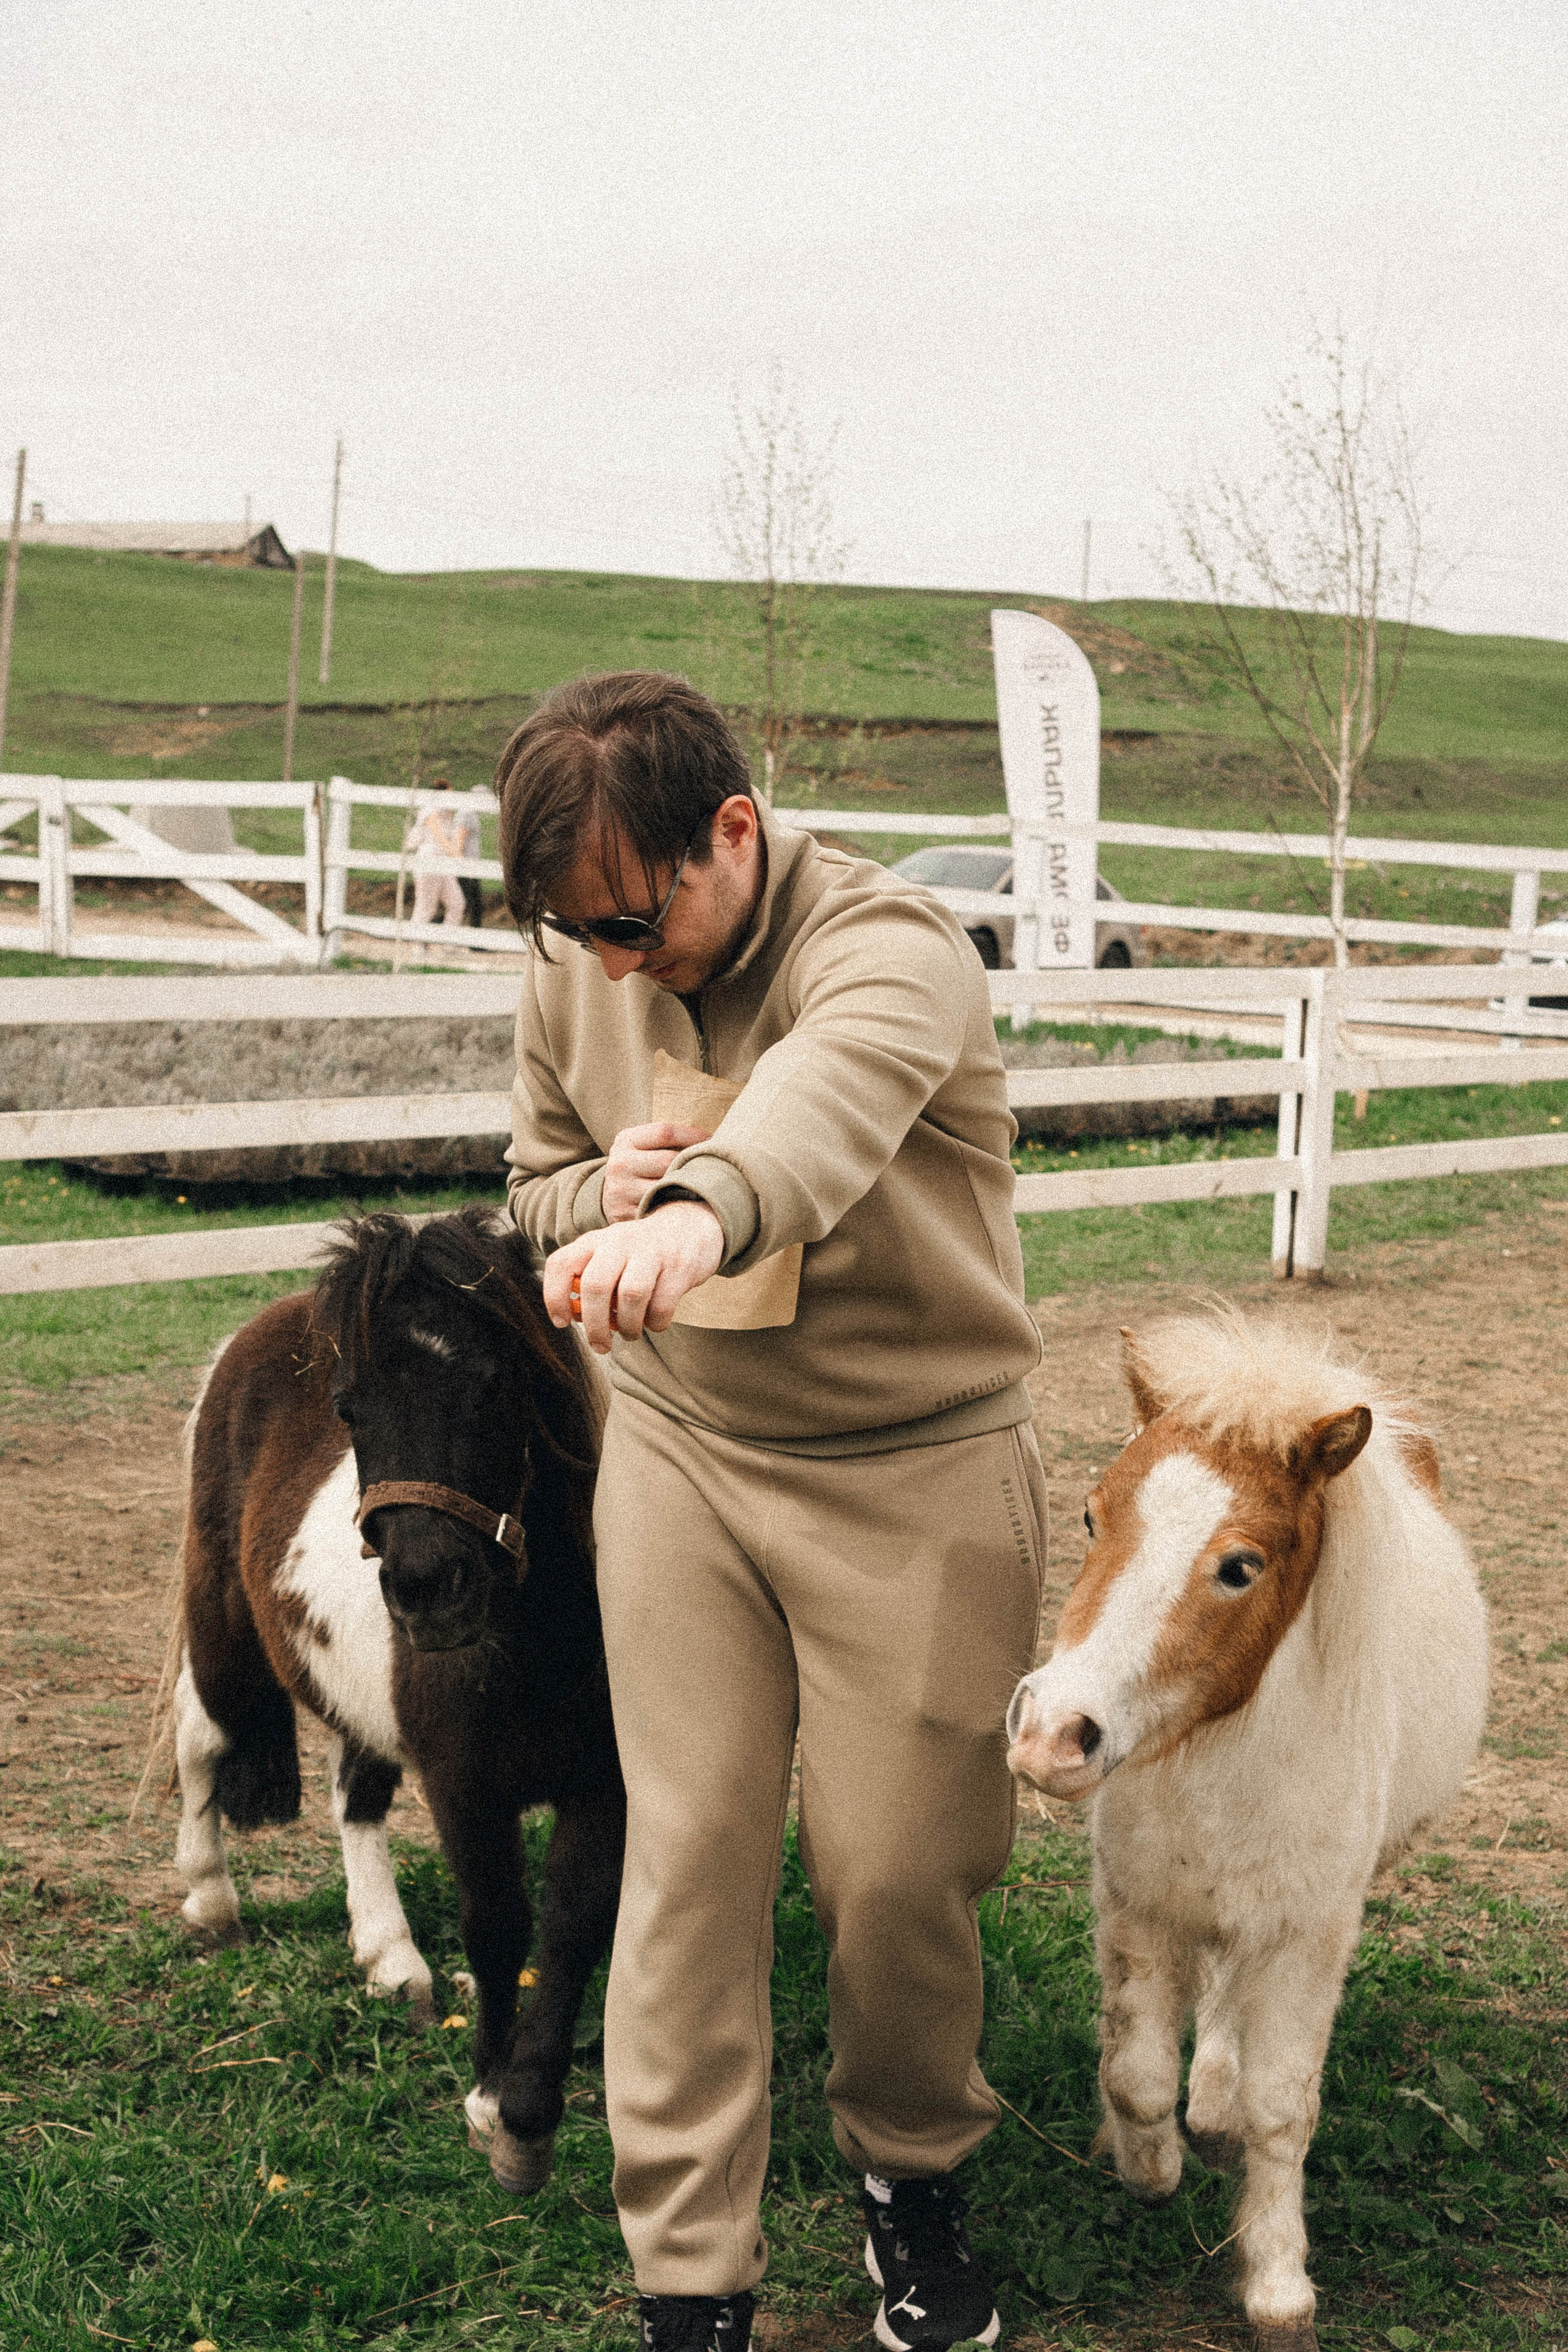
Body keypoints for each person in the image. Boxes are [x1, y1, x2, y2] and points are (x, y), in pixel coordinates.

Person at [498, 673, 1046, 2352]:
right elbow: (528, 1175)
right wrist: (598, 1196)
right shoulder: (569, 960)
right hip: (686, 1455)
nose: (604, 963)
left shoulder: (894, 948)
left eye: (628, 920)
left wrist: (705, 1210)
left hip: (920, 1460)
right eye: (570, 931)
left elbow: (827, 1101)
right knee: (693, 1849)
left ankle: (910, 2171)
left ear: (732, 834)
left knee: (897, 1869)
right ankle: (691, 2277)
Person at [407, 777, 481, 927]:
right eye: (450, 794)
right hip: (429, 860)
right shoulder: (430, 813)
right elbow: (442, 840)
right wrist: (463, 863)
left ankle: (449, 944)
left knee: (457, 903)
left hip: (444, 862)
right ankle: (418, 946)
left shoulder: (447, 816)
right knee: (426, 907)